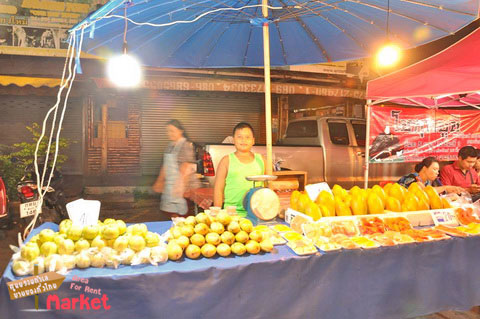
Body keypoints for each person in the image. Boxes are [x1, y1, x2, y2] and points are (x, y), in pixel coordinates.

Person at [214, 122, 265, 217]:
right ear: (233, 140)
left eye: (247, 137)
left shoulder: (262, 160)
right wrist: (217, 214)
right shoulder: (226, 161)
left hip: (256, 213)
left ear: (253, 141)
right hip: (231, 214)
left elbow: (269, 187)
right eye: (239, 137)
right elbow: (218, 189)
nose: (243, 140)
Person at [153, 120, 198, 217]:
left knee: (183, 216)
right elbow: (165, 166)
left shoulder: (185, 145)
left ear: (180, 131)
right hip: (171, 187)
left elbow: (187, 167)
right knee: (169, 213)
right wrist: (159, 181)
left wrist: (182, 188)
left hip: (183, 186)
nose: (169, 133)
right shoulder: (170, 146)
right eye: (167, 131)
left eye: (172, 131)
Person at [398, 156, 463, 194]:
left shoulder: (428, 182)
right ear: (424, 169)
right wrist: (445, 188)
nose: (437, 173)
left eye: (438, 170)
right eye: (434, 169)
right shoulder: (412, 178)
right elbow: (424, 192)